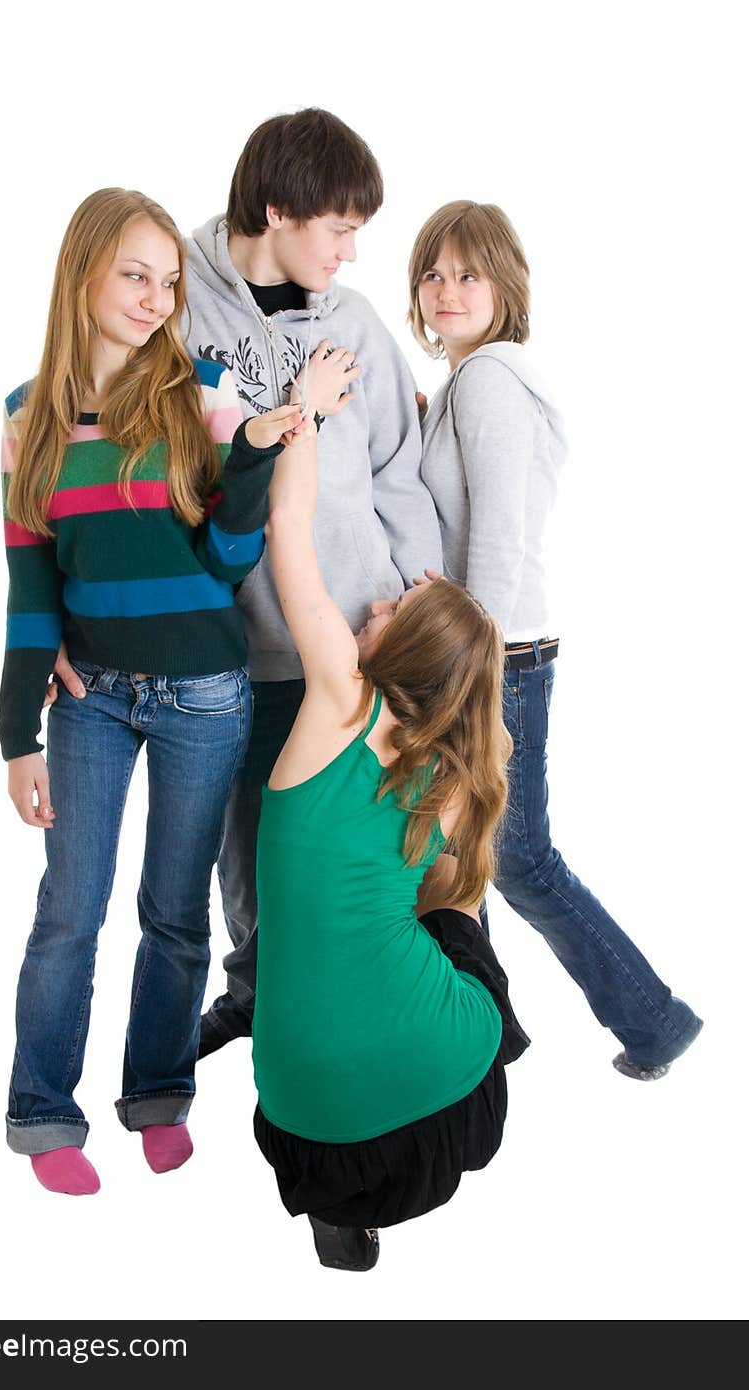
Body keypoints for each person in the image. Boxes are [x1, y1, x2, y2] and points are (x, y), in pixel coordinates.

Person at [51, 110, 443, 1054]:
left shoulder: (351, 322)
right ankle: (262, 1000)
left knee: (372, 860)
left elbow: (400, 466)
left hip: (363, 640)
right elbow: (114, 464)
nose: (351, 254)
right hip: (227, 653)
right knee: (246, 859)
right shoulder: (174, 303)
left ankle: (388, 1027)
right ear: (278, 211)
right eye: (339, 228)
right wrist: (71, 615)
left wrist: (426, 596)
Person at [0, 187, 305, 1196]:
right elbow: (32, 586)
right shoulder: (24, 421)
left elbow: (225, 555)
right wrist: (16, 734)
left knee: (176, 913)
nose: (153, 295)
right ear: (82, 271)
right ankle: (44, 1111)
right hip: (87, 700)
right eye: (135, 272)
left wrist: (253, 455)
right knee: (68, 911)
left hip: (207, 697)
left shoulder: (201, 390)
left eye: (168, 280)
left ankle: (158, 1096)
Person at [410, 200, 703, 1079]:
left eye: (469, 273)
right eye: (432, 272)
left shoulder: (491, 381)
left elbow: (497, 536)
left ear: (506, 286)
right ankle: (488, 1029)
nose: (448, 290)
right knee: (462, 850)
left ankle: (651, 1021)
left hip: (495, 657)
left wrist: (469, 661)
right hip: (491, 650)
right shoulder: (475, 382)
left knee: (516, 856)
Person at [250, 397, 529, 1271]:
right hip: (447, 1107)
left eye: (401, 600)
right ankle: (500, 1035)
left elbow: (288, 522)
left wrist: (308, 419)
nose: (378, 596)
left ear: (409, 644)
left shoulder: (339, 697)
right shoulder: (449, 777)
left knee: (437, 922)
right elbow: (454, 884)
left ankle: (340, 1216)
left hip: (304, 1124)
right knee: (458, 912)